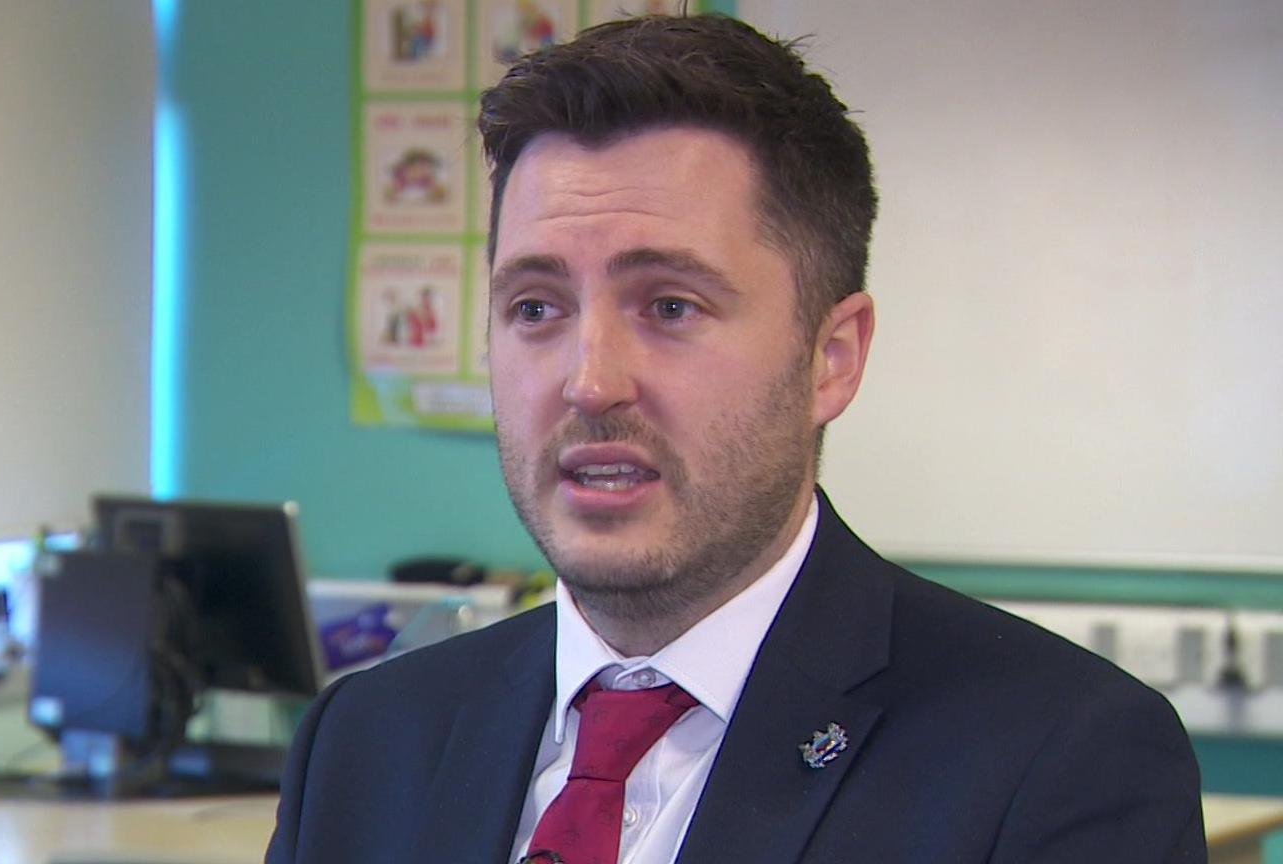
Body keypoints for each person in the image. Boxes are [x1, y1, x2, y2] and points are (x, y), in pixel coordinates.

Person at [268, 14, 1205, 864]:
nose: (590, 381)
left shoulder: (1058, 760)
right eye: (536, 307)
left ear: (830, 358)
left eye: (671, 306)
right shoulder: (365, 742)